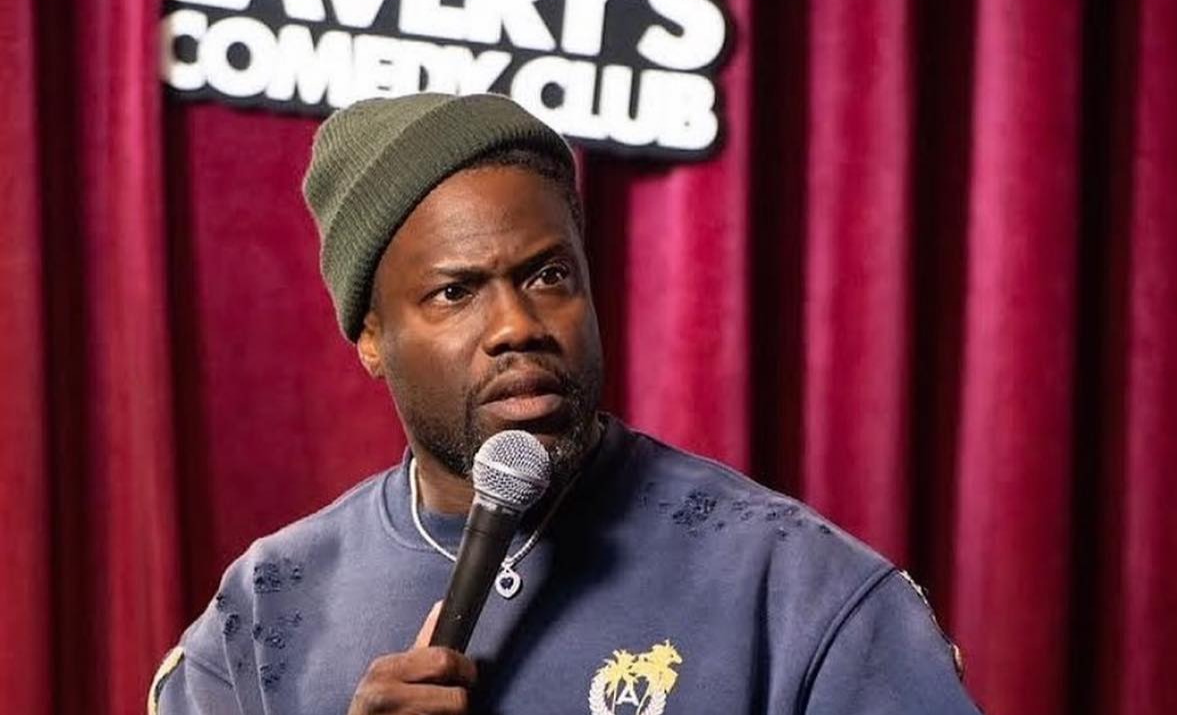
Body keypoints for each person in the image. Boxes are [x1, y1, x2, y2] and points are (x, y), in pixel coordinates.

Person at [150, 93, 982, 715]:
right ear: (371, 337)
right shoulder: (265, 610)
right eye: (455, 292)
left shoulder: (800, 588)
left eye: (549, 276)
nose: (517, 325)